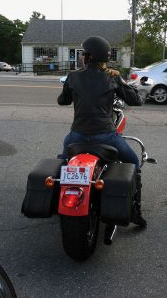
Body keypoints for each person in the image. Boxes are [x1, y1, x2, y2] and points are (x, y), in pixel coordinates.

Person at [57, 36, 146, 228]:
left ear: (88, 57)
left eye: (83, 54)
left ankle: (62, 199)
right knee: (133, 162)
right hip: (106, 136)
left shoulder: (73, 77)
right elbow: (134, 100)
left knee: (63, 163)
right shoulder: (112, 77)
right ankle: (135, 211)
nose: (81, 57)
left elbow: (62, 101)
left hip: (77, 136)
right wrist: (127, 85)